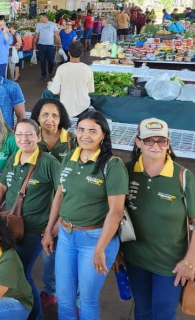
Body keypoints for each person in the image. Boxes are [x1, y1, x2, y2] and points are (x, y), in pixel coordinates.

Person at [117, 118, 195, 320]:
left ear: (168, 143)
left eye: (162, 141)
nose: (156, 146)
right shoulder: (125, 171)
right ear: (138, 142)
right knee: (142, 310)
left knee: (163, 314)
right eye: (149, 140)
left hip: (171, 264)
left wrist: (190, 262)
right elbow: (114, 213)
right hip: (135, 259)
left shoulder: (182, 177)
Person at [43, 110, 128, 320]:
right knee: (64, 297)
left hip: (95, 240)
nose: (85, 135)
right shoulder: (70, 158)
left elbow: (116, 212)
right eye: (81, 129)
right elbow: (59, 195)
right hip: (66, 236)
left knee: (87, 299)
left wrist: (100, 248)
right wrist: (48, 230)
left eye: (92, 131)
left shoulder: (112, 165)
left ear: (103, 135)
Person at [0, 119, 60, 320]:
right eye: (19, 134)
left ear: (38, 136)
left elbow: (62, 194)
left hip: (34, 230)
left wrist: (53, 226)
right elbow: (2, 186)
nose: (24, 139)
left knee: (22, 273)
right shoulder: (14, 157)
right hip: (9, 226)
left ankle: (36, 316)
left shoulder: (48, 162)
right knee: (12, 271)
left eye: (29, 134)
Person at [31, 98, 77, 307]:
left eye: (55, 115)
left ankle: (74, 297)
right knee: (48, 250)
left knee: (67, 252)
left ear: (62, 119)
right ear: (37, 118)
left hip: (68, 204)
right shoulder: (32, 138)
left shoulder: (71, 140)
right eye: (45, 115)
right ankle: (50, 290)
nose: (50, 119)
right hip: (41, 204)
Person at [46, 42, 94, 119]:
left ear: (68, 53)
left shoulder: (61, 68)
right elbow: (90, 90)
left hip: (66, 107)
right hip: (83, 107)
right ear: (82, 54)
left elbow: (55, 91)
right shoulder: (88, 69)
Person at [33, 13, 59, 81]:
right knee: (42, 61)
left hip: (50, 45)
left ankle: (50, 72)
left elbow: (56, 35)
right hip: (41, 45)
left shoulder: (53, 24)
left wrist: (59, 43)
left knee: (51, 60)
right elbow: (36, 35)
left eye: (41, 17)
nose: (40, 19)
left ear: (45, 17)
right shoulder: (39, 25)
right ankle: (43, 75)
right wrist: (34, 44)